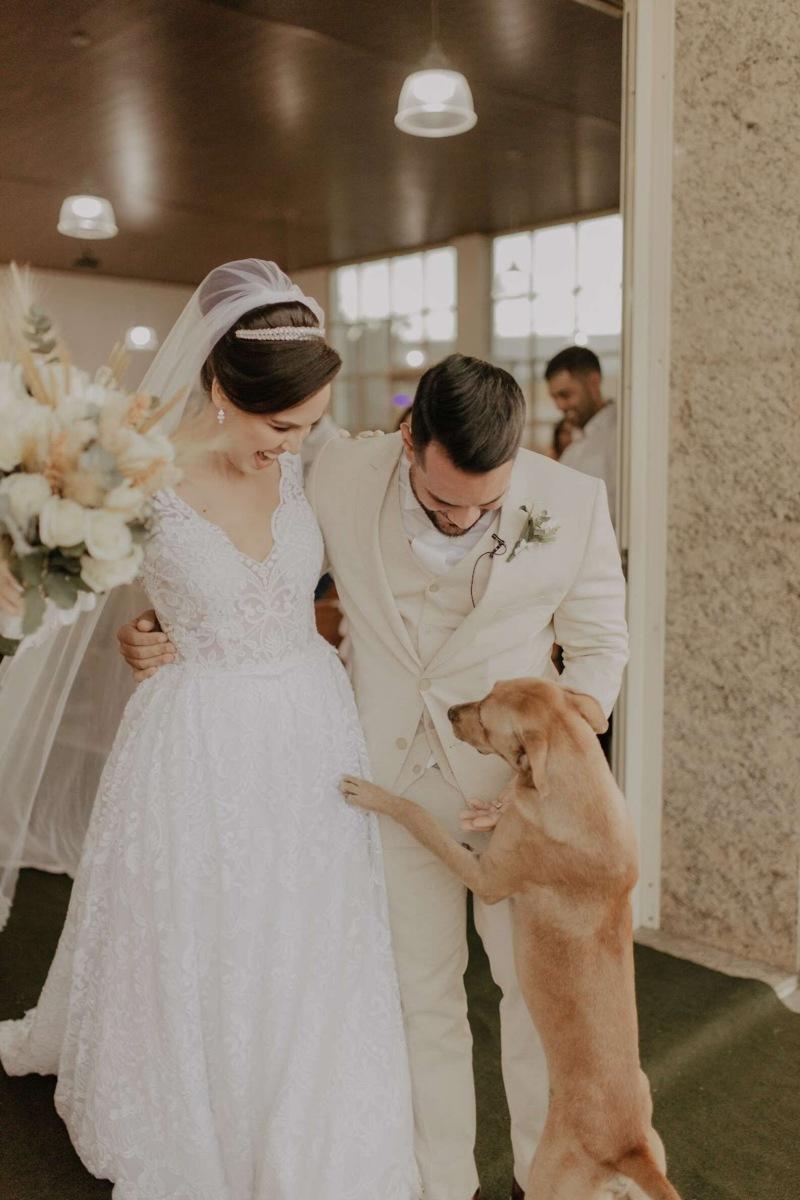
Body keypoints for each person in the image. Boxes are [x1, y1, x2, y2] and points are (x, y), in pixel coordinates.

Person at [120, 351, 629, 1200]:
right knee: (419, 997)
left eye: (487, 505)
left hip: (524, 799)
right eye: (442, 500)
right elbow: (246, 558)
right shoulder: (340, 468)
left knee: (538, 1003)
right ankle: (443, 1183)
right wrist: (155, 622)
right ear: (405, 439)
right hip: (382, 778)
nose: (464, 520)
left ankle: (547, 1183)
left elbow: (599, 652)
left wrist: (556, 773)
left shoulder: (572, 501)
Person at [0, 261, 419, 1200]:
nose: (292, 447)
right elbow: (76, 581)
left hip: (312, 723)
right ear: (222, 389)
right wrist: (130, 629)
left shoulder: (307, 459)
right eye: (281, 427)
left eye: (308, 428)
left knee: (307, 924)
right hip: (198, 736)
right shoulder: (141, 476)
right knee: (203, 924)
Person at [545, 345, 617, 524]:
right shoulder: (575, 444)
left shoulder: (619, 435)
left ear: (593, 382)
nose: (560, 406)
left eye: (565, 395)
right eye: (555, 398)